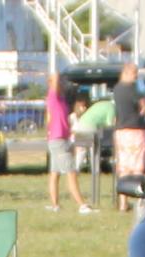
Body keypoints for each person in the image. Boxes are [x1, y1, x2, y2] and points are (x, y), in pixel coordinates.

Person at [46, 72, 88, 213]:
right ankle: (81, 205)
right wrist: (56, 75)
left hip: (61, 138)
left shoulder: (62, 100)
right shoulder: (53, 97)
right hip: (58, 140)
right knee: (71, 172)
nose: (62, 84)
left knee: (55, 173)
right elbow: (55, 80)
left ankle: (55, 205)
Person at [110, 63, 145, 209]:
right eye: (134, 73)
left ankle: (123, 203)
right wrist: (144, 110)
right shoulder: (133, 89)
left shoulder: (117, 89)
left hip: (121, 130)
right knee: (138, 166)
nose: (136, 76)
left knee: (124, 167)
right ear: (127, 73)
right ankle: (138, 200)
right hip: (136, 129)